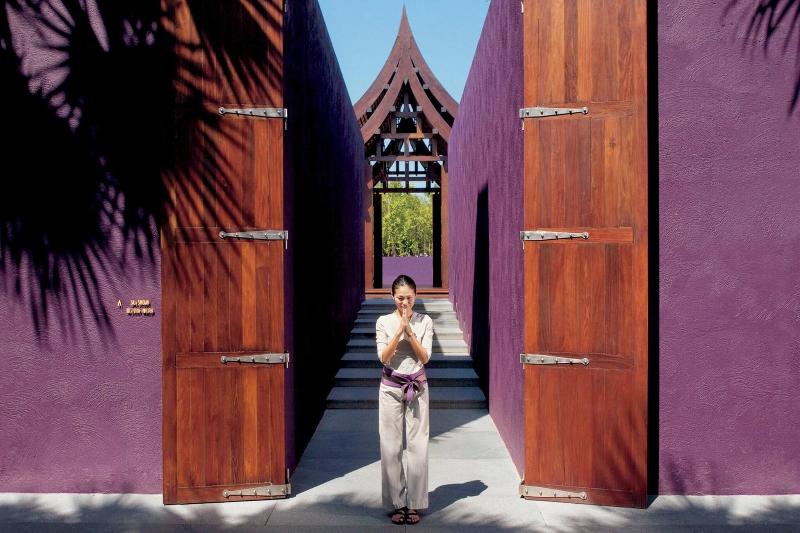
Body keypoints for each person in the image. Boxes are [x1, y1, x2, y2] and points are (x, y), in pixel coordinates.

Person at [376, 274, 433, 526]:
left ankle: (415, 503)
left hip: (417, 386)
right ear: (392, 297)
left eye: (409, 298)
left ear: (415, 296)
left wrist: (410, 331)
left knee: (418, 446)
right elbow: (384, 358)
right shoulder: (383, 321)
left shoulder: (425, 321)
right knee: (390, 446)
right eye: (400, 298)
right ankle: (396, 503)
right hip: (390, 387)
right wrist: (399, 328)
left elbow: (425, 357)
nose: (404, 303)